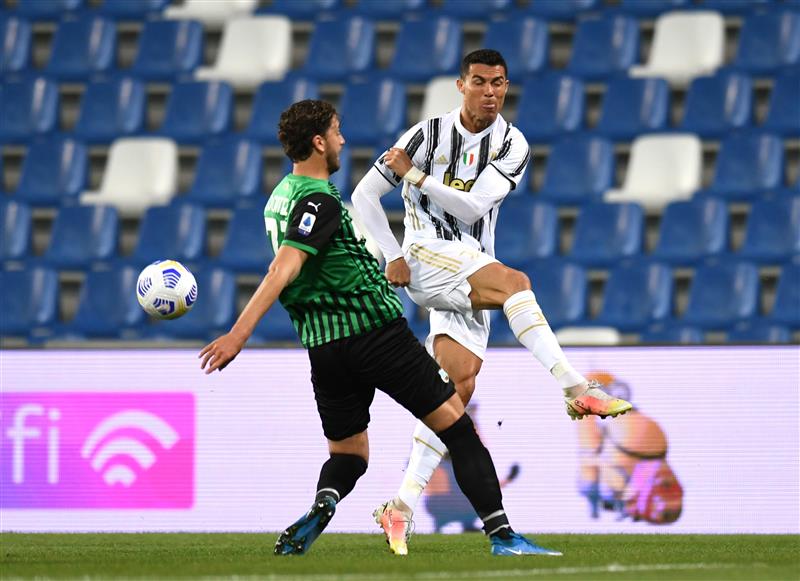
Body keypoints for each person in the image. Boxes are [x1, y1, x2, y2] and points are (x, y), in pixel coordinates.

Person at [198, 99, 561, 557]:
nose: (341, 140)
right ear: (318, 141)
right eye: (335, 132)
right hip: (374, 333)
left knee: (349, 456)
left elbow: (300, 270)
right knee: (458, 430)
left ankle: (323, 503)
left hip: (323, 349)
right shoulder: (319, 200)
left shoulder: (276, 201)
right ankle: (502, 534)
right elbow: (283, 269)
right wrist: (239, 334)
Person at [351, 49, 633, 554]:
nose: (490, 92)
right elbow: (364, 196)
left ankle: (400, 506)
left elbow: (472, 204)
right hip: (425, 253)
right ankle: (574, 387)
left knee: (454, 391)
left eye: (498, 83)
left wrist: (415, 178)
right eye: (479, 82)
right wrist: (392, 254)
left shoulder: (512, 144)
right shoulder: (425, 135)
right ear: (461, 85)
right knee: (516, 284)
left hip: (470, 262)